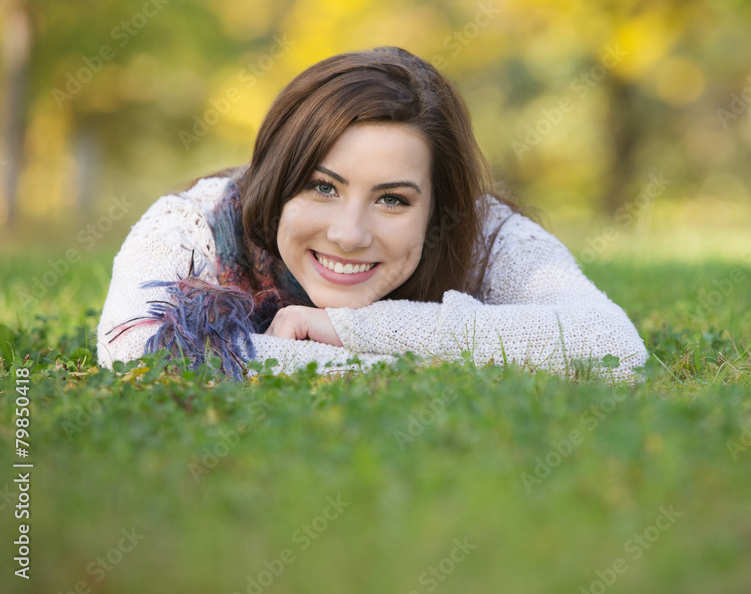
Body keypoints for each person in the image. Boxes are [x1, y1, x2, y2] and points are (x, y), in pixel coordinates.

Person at [97, 47, 647, 382]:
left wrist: (350, 329)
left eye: (393, 199)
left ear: (438, 209)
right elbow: (137, 354)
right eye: (321, 186)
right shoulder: (188, 226)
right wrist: (419, 367)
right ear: (278, 179)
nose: (349, 234)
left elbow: (611, 346)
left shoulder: (485, 232)